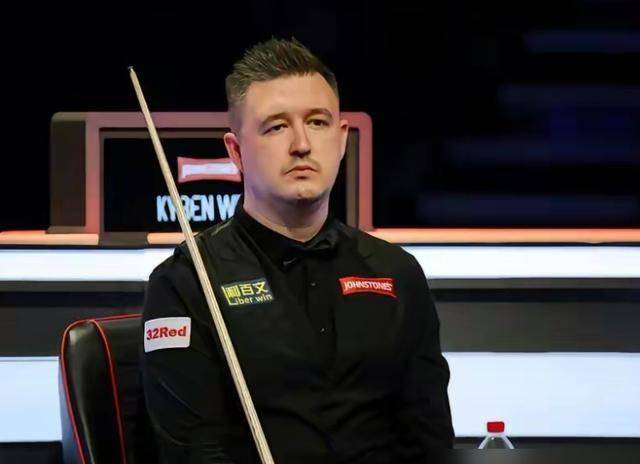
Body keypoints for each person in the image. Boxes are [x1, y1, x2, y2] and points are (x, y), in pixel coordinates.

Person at [141, 37, 454, 463]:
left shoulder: (398, 273)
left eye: (318, 122)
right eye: (276, 127)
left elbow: (430, 444)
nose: (302, 144)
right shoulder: (187, 281)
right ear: (236, 151)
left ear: (341, 139)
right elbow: (195, 454)